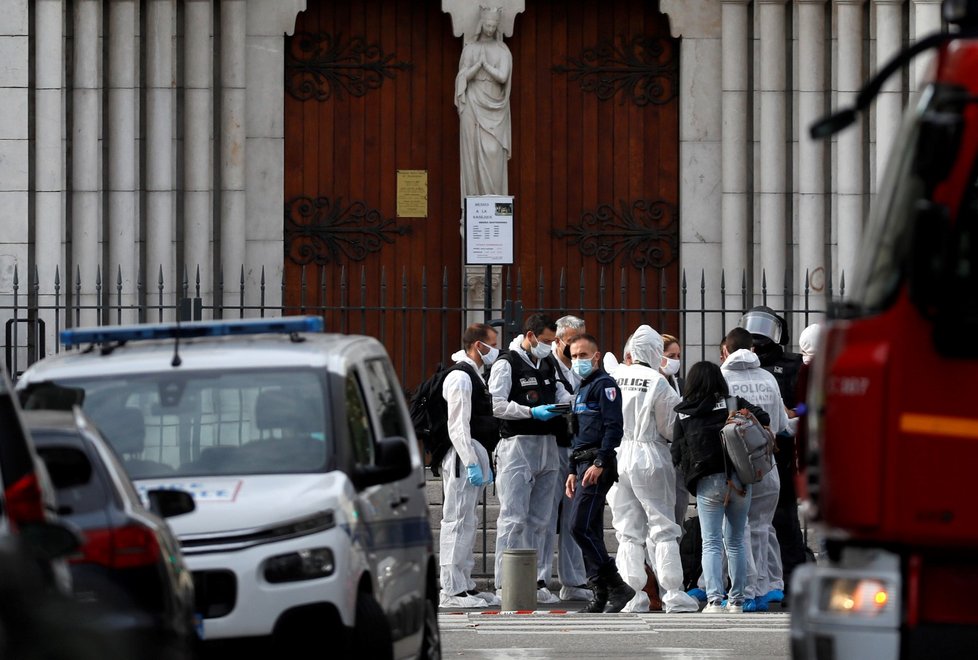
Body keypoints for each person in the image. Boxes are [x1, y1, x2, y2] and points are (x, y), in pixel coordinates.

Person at [607, 325, 700, 613]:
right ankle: (672, 592)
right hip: (650, 455)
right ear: (655, 352)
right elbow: (672, 427)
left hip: (619, 454)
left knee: (627, 530)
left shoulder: (616, 376)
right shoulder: (658, 382)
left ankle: (634, 595)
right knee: (662, 526)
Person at [672, 361, 771, 614]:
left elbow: (676, 452)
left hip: (707, 482)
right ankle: (737, 600)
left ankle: (715, 600)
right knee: (736, 540)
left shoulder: (684, 412)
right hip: (739, 480)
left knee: (711, 542)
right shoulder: (732, 403)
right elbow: (765, 418)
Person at [489, 314, 572, 603]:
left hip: (547, 443)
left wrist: (573, 403)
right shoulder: (506, 363)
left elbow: (563, 393)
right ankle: (504, 582)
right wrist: (530, 412)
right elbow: (497, 405)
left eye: (553, 342)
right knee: (513, 517)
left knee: (541, 519)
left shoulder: (548, 363)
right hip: (517, 445)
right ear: (531, 335)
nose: (550, 347)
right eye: (546, 341)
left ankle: (536, 580)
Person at [738, 306, 807, 605]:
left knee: (784, 519)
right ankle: (751, 583)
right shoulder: (737, 366)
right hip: (742, 450)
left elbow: (812, 401)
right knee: (743, 522)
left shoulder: (792, 365)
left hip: (778, 449)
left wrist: (795, 412)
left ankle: (792, 582)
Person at [564, 333, 635, 613]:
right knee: (589, 528)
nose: (577, 360)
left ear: (596, 355)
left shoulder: (605, 386)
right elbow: (577, 433)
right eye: (573, 356)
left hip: (597, 464)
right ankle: (600, 592)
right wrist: (571, 469)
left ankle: (617, 585)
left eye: (583, 355)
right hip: (581, 464)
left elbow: (613, 426)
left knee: (577, 526)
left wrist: (601, 462)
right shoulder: (582, 388)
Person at [721, 326, 790, 611]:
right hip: (766, 463)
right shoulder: (768, 378)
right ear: (753, 350)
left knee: (738, 530)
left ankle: (745, 590)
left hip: (733, 465)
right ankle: (765, 587)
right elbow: (782, 425)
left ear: (725, 351)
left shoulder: (722, 378)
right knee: (761, 528)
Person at [438, 323, 503, 608]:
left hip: (473, 454)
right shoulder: (461, 378)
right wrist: (470, 462)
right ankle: (451, 590)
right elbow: (458, 425)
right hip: (461, 458)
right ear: (479, 345)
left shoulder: (474, 376)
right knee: (456, 521)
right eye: (492, 344)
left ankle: (465, 584)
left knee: (468, 522)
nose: (495, 350)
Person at [539, 315, 590, 601]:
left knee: (574, 514)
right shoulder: (548, 365)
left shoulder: (580, 367)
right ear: (558, 341)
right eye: (571, 340)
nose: (575, 346)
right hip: (554, 445)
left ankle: (573, 580)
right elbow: (559, 402)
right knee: (546, 515)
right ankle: (541, 578)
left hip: (576, 446)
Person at [455, 5, 512, 201]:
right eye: (487, 24)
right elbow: (461, 78)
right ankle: (473, 205)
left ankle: (493, 202)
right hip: (472, 103)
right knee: (472, 154)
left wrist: (485, 65)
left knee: (493, 151)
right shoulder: (470, 49)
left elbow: (503, 77)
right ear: (482, 23)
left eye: (493, 25)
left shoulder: (502, 50)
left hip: (495, 109)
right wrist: (476, 66)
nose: (490, 28)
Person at [660, 333, 690, 528]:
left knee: (678, 509)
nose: (676, 361)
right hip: (657, 451)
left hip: (678, 454)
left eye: (678, 356)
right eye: (671, 356)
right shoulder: (652, 381)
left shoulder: (679, 384)